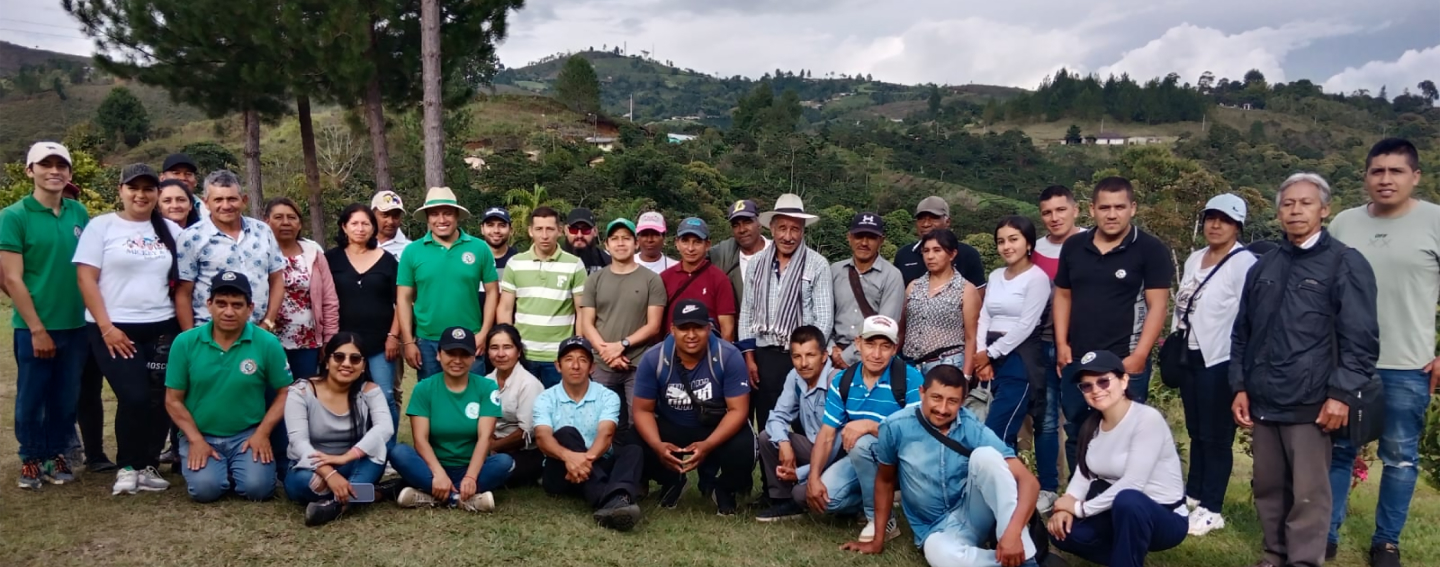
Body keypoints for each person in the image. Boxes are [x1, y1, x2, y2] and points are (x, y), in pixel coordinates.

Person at [1231, 172, 1379, 567]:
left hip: (1312, 403)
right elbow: (1242, 334)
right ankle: (1273, 555)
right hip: (1264, 398)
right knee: (1268, 487)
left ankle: (1303, 561)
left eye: (1306, 203)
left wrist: (1341, 394)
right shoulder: (1264, 266)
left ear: (1324, 210)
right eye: (1287, 204)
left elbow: (1361, 341)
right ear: (1278, 212)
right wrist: (1240, 386)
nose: (1295, 210)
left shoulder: (1345, 263)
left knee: (1309, 494)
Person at [1327, 138, 1435, 567]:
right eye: (1377, 171)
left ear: (1415, 176)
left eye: (1396, 171)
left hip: (1409, 364)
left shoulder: (1435, 221)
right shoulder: (1344, 225)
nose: (1385, 179)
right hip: (1347, 365)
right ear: (1366, 176)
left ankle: (1386, 541)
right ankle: (1327, 532)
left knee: (1401, 457)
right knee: (1338, 452)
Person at [843, 364, 1041, 567]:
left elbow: (1029, 482)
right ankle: (1009, 561)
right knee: (940, 555)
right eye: (936, 398)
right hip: (935, 527)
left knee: (986, 456)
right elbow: (884, 482)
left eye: (952, 401)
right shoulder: (895, 427)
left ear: (962, 402)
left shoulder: (970, 425)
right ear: (922, 393)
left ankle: (1023, 556)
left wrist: (1013, 532)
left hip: (973, 511)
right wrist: (877, 541)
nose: (942, 409)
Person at [73, 163, 182, 495]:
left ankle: (147, 464)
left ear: (157, 194)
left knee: (158, 398)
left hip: (162, 326)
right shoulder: (102, 226)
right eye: (133, 187)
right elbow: (85, 278)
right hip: (114, 329)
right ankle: (128, 466)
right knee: (133, 396)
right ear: (120, 190)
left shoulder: (171, 230)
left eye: (149, 188)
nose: (141, 194)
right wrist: (107, 328)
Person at [1053, 177, 1171, 474]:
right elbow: (1063, 296)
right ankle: (1080, 498)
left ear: (1133, 208)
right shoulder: (1074, 247)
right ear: (1091, 210)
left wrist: (1140, 356)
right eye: (1104, 207)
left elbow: (1158, 306)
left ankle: (1122, 501)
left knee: (1126, 433)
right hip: (1078, 358)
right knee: (1078, 430)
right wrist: (1061, 345)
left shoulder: (1150, 249)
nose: (1112, 214)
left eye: (1120, 207)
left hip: (1124, 358)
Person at [1047, 350, 1188, 567]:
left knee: (1128, 499)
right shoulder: (1092, 425)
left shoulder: (1147, 419)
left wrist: (1080, 509)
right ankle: (1127, 556)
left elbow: (1134, 483)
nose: (1095, 390)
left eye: (1103, 381)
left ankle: (1128, 557)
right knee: (1062, 533)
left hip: (1163, 516)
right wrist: (1064, 507)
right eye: (1087, 385)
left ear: (1124, 381)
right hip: (1116, 511)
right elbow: (1085, 475)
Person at [1169, 194, 1256, 537]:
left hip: (1220, 358)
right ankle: (1195, 493)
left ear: (1238, 226)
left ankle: (1213, 507)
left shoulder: (1243, 263)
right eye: (1210, 218)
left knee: (1217, 435)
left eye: (1225, 220)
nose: (1216, 225)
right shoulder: (1194, 258)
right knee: (1196, 430)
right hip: (1189, 353)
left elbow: (1249, 316)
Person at [4, 142, 90, 489]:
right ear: (30, 170)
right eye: (46, 164)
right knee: (31, 396)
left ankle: (57, 455)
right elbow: (11, 277)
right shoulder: (14, 216)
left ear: (69, 172)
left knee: (65, 396)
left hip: (76, 324)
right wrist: (37, 328)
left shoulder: (78, 213)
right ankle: (31, 457)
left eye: (61, 165)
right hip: (34, 327)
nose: (54, 171)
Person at [164, 271, 291, 503]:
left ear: (250, 308)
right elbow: (173, 399)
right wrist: (195, 440)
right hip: (201, 433)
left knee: (259, 490)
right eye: (221, 304)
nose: (229, 311)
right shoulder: (185, 342)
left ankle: (235, 467)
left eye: (237, 305)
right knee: (205, 491)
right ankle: (219, 469)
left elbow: (285, 392)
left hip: (247, 434)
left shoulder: (267, 343)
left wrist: (262, 434)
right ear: (209, 305)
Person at [633, 299, 755, 515]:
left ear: (708, 328)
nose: (691, 335)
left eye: (698, 327)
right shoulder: (654, 358)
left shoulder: (728, 355)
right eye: (683, 328)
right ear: (672, 329)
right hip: (673, 424)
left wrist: (708, 445)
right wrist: (657, 445)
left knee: (744, 444)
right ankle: (672, 482)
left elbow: (738, 410)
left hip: (713, 426)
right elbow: (643, 410)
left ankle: (724, 489)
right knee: (634, 439)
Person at [808, 314, 921, 542]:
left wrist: (870, 426)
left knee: (861, 442)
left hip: (904, 460)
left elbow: (916, 433)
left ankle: (881, 519)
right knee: (827, 500)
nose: (877, 354)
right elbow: (827, 434)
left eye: (885, 346)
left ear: (895, 348)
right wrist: (813, 477)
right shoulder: (843, 381)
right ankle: (884, 498)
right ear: (858, 343)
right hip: (865, 460)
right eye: (870, 344)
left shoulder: (910, 378)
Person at [391, 326, 514, 512]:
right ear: (439, 354)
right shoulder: (424, 388)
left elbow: (485, 438)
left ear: (474, 357)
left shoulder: (487, 387)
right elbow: (420, 441)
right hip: (433, 467)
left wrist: (471, 477)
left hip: (472, 465)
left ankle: (431, 495)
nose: (457, 360)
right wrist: (438, 474)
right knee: (398, 452)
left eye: (464, 354)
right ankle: (458, 498)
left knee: (505, 463)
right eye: (450, 353)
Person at [739, 193, 834, 428]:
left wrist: (808, 357)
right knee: (769, 423)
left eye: (795, 229)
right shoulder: (756, 265)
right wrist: (749, 358)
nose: (788, 236)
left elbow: (823, 318)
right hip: (766, 356)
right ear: (771, 228)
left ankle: (808, 465)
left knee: (807, 423)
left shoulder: (817, 263)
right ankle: (771, 464)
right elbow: (747, 313)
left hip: (802, 356)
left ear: (802, 231)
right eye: (782, 228)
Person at [534, 336, 645, 531]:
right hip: (561, 472)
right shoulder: (545, 398)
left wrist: (585, 460)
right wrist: (569, 458)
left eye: (582, 360)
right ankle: (612, 500)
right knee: (566, 433)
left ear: (592, 367)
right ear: (558, 366)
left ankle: (611, 498)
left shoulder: (607, 396)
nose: (575, 366)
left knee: (633, 451)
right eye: (569, 359)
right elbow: (542, 438)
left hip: (597, 461)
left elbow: (606, 433)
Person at [283, 333, 393, 526]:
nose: (347, 363)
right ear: (327, 361)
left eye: (355, 358)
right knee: (300, 484)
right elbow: (298, 442)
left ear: (363, 366)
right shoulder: (301, 392)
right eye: (339, 357)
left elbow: (385, 428)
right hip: (312, 468)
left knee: (378, 449)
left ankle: (335, 506)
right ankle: (374, 493)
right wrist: (329, 473)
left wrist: (344, 458)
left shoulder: (369, 391)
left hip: (353, 462)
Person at [397, 187, 498, 380]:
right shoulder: (412, 251)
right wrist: (409, 342)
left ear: (457, 215)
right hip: (427, 341)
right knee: (431, 403)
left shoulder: (479, 248)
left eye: (447, 213)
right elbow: (403, 298)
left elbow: (493, 292)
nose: (441, 220)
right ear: (427, 217)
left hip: (470, 338)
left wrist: (484, 333)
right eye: (434, 214)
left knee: (470, 402)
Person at [579, 218, 667, 429]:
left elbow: (653, 325)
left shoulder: (652, 280)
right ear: (607, 245)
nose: (620, 243)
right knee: (599, 422)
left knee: (639, 422)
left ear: (636, 243)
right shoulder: (595, 279)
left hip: (638, 362)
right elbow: (587, 323)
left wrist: (622, 345)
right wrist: (607, 352)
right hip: (602, 363)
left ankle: (637, 461)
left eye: (626, 238)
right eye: (615, 239)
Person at [973, 216, 1051, 447]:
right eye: (1001, 241)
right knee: (986, 422)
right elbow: (985, 315)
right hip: (989, 354)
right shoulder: (996, 276)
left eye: (1013, 239)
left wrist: (990, 354)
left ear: (1028, 243)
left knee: (998, 430)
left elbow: (1026, 325)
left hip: (1019, 357)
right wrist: (981, 355)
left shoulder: (1037, 278)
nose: (1006, 246)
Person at [175, 170, 285, 330]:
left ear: (244, 200)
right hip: (210, 335)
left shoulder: (262, 231)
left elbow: (277, 279)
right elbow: (183, 293)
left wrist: (268, 322)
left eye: (232, 199)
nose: (226, 206)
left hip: (258, 332)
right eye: (218, 199)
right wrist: (192, 339)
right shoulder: (191, 237)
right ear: (206, 202)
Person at [1032, 184, 1085, 511]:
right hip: (1042, 345)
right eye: (1047, 213)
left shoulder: (1090, 244)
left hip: (1081, 347)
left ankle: (1081, 487)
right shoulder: (1034, 250)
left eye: (1060, 210)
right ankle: (1048, 486)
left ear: (1075, 210)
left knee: (1080, 420)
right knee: (1046, 421)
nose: (1054, 218)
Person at [325, 204, 401, 429]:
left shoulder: (388, 261)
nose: (360, 228)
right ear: (344, 227)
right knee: (345, 397)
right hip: (341, 344)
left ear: (373, 228)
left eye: (366, 223)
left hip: (380, 343)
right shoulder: (330, 259)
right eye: (354, 223)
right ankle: (352, 450)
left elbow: (401, 303)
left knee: (384, 397)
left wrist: (393, 336)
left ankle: (388, 455)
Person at [498, 206, 588, 388]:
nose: (544, 235)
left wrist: (577, 349)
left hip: (558, 355)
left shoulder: (575, 264)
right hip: (524, 355)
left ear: (560, 231)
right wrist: (509, 347)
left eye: (550, 229)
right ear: (531, 231)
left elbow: (581, 311)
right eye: (539, 229)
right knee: (522, 411)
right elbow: (505, 308)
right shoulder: (515, 263)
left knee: (559, 411)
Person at [755, 325, 834, 522]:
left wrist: (799, 473)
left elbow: (837, 447)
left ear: (824, 356)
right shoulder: (795, 377)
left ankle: (855, 505)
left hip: (835, 454)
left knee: (802, 493)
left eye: (810, 355)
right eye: (797, 356)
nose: (803, 363)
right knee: (767, 436)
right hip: (812, 446)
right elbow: (777, 416)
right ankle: (782, 501)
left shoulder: (837, 381)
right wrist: (784, 443)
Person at [264, 197, 340, 378]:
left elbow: (329, 301)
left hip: (306, 341)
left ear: (300, 224)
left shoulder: (313, 254)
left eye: (292, 218)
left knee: (303, 395)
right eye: (278, 217)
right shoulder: (259, 252)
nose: (285, 223)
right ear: (266, 221)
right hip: (267, 339)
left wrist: (329, 340)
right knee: (270, 397)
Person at [829, 212, 905, 369]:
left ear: (881, 240)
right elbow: (824, 315)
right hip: (832, 356)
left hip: (871, 358)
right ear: (849, 237)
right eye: (859, 236)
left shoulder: (892, 276)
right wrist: (831, 349)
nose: (864, 242)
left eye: (871, 237)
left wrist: (847, 356)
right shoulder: (834, 271)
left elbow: (885, 325)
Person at [900, 229, 980, 374]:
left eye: (937, 250)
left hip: (947, 363)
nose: (930, 256)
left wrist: (966, 375)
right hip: (910, 366)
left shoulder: (965, 290)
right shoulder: (913, 286)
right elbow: (902, 329)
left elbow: (971, 337)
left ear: (952, 254)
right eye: (926, 251)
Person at [484, 324, 545, 485]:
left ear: (518, 352)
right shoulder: (486, 381)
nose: (501, 354)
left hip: (523, 451)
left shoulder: (528, 384)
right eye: (494, 348)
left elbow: (526, 432)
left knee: (494, 471)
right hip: (490, 445)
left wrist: (492, 446)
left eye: (507, 347)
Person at [660, 217, 738, 339]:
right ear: (677, 243)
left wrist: (721, 356)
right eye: (685, 241)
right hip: (672, 351)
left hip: (709, 350)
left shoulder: (719, 279)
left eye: (697, 242)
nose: (690, 248)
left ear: (707, 245)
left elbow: (727, 329)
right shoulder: (664, 278)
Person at [893, 195, 987, 289]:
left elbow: (978, 295)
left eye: (934, 218)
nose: (926, 224)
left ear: (947, 222)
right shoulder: (903, 255)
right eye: (921, 218)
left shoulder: (968, 254)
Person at [709, 199, 770, 304]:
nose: (742, 229)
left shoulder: (778, 251)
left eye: (747, 222)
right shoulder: (725, 254)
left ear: (759, 223)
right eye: (735, 225)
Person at [478, 207, 520, 327]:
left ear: (510, 230)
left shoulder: (519, 262)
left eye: (502, 225)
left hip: (509, 331)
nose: (496, 230)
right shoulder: (471, 261)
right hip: (476, 331)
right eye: (490, 225)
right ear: (482, 229)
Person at [563, 207, 611, 275]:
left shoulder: (607, 261)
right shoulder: (553, 262)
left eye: (586, 230)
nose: (579, 235)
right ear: (565, 231)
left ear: (595, 231)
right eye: (573, 230)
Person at [160, 153, 205, 220]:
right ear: (162, 178)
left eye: (188, 174)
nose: (182, 178)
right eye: (176, 173)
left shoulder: (207, 209)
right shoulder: (149, 208)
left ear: (195, 181)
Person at [371, 190, 411, 260]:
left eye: (396, 216)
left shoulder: (410, 249)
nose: (390, 221)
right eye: (385, 215)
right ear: (372, 215)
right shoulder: (360, 244)